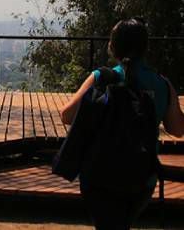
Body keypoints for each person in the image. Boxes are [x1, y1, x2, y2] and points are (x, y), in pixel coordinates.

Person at [59, 18, 184, 229]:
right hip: (142, 177)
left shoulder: (102, 77)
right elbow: (177, 129)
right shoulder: (162, 84)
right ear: (145, 49)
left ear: (112, 46)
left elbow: (67, 115)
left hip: (99, 175)